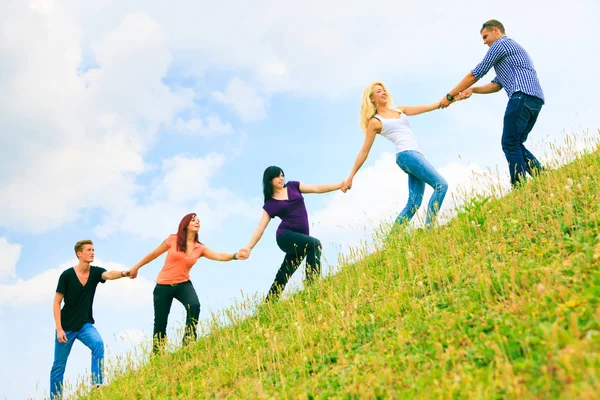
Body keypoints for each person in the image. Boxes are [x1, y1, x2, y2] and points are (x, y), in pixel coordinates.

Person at [440, 19, 545, 186]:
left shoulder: (501, 44)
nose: (484, 42)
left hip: (521, 96)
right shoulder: (510, 52)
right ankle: (543, 178)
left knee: (509, 143)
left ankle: (520, 187)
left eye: (485, 36)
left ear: (496, 31)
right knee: (515, 143)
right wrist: (473, 90)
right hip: (535, 100)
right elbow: (496, 85)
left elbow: (476, 73)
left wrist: (450, 96)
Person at [127, 213, 248, 353]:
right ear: (185, 224)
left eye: (198, 220)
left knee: (194, 306)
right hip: (163, 286)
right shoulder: (172, 240)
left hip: (183, 284)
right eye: (193, 220)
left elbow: (219, 256)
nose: (197, 222)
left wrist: (235, 256)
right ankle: (157, 354)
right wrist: (136, 267)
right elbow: (153, 254)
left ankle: (188, 343)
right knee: (160, 322)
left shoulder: (199, 248)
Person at [345, 81, 454, 230]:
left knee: (414, 203)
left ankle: (392, 241)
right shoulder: (375, 122)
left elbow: (428, 107)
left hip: (416, 155)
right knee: (441, 185)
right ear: (371, 99)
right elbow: (364, 152)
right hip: (406, 154)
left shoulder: (398, 110)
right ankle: (430, 230)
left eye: (383, 90)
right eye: (378, 91)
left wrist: (451, 98)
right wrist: (351, 177)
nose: (383, 92)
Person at [243, 166, 345, 301]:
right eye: (277, 176)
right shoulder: (270, 203)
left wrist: (339, 185)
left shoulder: (293, 186)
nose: (281, 178)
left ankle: (269, 303)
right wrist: (249, 248)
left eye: (282, 175)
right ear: (269, 180)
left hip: (301, 239)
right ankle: (312, 286)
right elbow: (260, 228)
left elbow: (316, 188)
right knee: (315, 245)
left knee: (286, 271)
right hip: (285, 236)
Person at [50, 239, 131, 399]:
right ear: (79, 254)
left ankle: (96, 385)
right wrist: (59, 328)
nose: (92, 252)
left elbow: (108, 274)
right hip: (66, 327)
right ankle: (56, 397)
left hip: (84, 325)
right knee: (58, 366)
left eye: (93, 250)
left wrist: (123, 273)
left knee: (98, 344)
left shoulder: (95, 273)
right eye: (88, 250)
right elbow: (56, 302)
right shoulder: (66, 276)